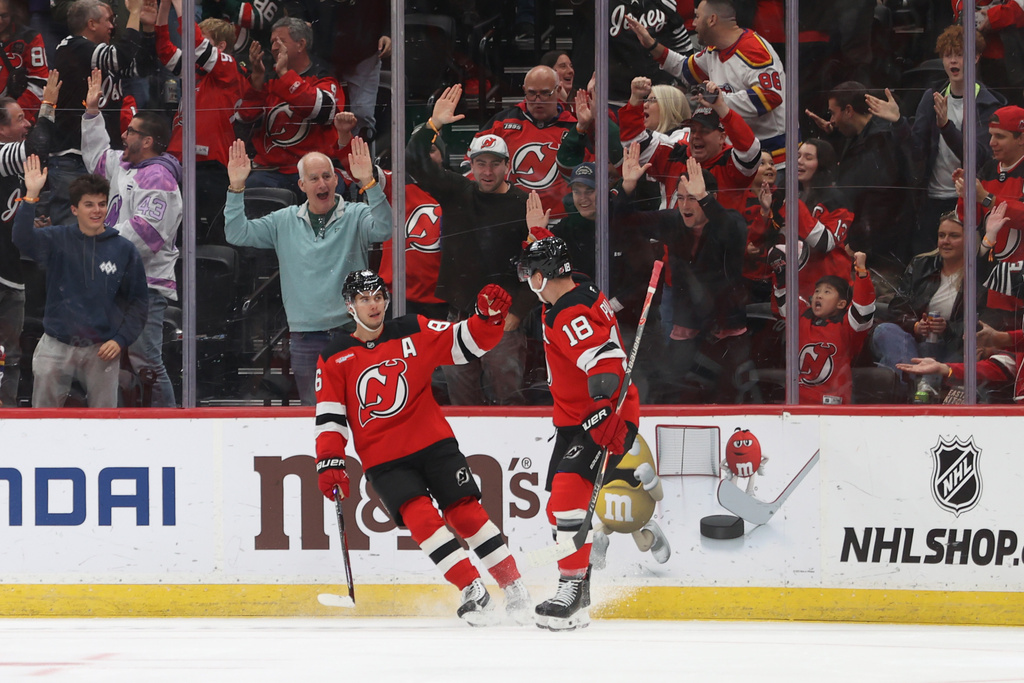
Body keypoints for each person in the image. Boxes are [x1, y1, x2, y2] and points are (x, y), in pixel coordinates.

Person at [313, 269, 531, 625]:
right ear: (349, 306)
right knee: (420, 517)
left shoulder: (413, 328)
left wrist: (487, 319)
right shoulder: (335, 356)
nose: (374, 305)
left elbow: (465, 343)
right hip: (384, 458)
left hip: (433, 442)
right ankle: (471, 588)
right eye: (364, 299)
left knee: (466, 512)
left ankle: (514, 587)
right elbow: (331, 419)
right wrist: (330, 462)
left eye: (379, 297)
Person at [514, 235, 639, 631]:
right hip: (577, 419)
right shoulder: (579, 290)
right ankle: (580, 581)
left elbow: (605, 359)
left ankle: (570, 588)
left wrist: (604, 409)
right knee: (559, 510)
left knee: (568, 498)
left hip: (600, 418)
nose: (527, 281)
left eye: (529, 273)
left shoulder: (568, 314)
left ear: (541, 275)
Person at [224, 137, 391, 405]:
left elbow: (384, 228)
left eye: (327, 176)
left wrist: (369, 183)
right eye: (313, 179)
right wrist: (236, 187)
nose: (322, 183)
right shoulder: (283, 221)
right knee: (314, 415)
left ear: (337, 180)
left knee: (360, 407)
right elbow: (236, 233)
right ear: (302, 185)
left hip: (351, 332)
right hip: (305, 337)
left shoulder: (356, 214)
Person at [407, 84, 540, 406]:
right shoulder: (457, 191)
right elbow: (414, 162)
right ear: (471, 164)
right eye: (481, 163)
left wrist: (519, 312)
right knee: (461, 400)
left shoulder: (526, 203)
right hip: (460, 315)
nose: (487, 171)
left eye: (495, 164)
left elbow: (536, 265)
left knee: (509, 399)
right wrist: (433, 125)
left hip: (505, 318)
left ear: (508, 166)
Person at [81, 67, 182, 407]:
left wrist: (98, 237)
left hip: (145, 287)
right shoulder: (125, 167)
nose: (124, 136)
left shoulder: (160, 179)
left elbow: (145, 233)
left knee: (145, 361)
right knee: (115, 362)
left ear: (148, 140)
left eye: (131, 131)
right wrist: (92, 113)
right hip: (116, 282)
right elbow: (95, 158)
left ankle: (168, 425)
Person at [13, 157, 148, 408]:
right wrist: (31, 195)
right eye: (89, 205)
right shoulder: (57, 239)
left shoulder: (124, 250)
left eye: (101, 204)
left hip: (102, 350)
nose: (97, 210)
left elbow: (139, 303)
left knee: (104, 425)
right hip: (55, 344)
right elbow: (22, 238)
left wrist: (119, 340)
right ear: (74, 209)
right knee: (42, 421)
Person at [618, 151, 750, 404]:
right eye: (680, 198)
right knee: (675, 392)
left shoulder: (730, 221)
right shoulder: (673, 221)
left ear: (712, 198)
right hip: (686, 327)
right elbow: (624, 223)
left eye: (693, 198)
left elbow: (729, 232)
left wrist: (705, 198)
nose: (685, 206)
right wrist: (627, 187)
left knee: (731, 394)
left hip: (727, 330)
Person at [864, 25, 1004, 255]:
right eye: (948, 55)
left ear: (976, 57)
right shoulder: (932, 98)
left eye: (960, 54)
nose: (953, 61)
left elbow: (979, 157)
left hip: (969, 200)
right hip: (933, 199)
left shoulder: (988, 105)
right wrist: (898, 121)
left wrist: (946, 127)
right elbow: (916, 152)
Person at [625, 0, 786, 165]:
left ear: (712, 19)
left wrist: (718, 101)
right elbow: (684, 69)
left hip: (774, 157)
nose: (693, 23)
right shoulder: (714, 50)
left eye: (697, 16)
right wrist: (651, 44)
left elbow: (771, 96)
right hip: (739, 155)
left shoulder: (754, 50)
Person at [50, 0, 156, 227]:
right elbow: (121, 56)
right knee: (71, 236)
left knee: (102, 234)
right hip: (73, 157)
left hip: (102, 158)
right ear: (91, 24)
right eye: (108, 20)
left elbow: (143, 67)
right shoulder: (72, 46)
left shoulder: (102, 55)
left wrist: (147, 29)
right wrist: (134, 13)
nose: (112, 26)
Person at [155, 0, 246, 238]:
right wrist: (163, 9)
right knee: (178, 234)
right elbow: (165, 49)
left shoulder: (229, 67)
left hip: (212, 164)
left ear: (221, 46)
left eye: (205, 39)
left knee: (213, 235)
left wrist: (181, 8)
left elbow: (195, 43)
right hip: (178, 161)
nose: (192, 43)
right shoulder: (193, 69)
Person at [871, 212, 990, 381]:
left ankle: (915, 390)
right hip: (913, 342)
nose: (945, 241)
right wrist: (916, 326)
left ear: (971, 240)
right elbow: (897, 308)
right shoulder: (921, 265)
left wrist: (946, 328)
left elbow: (984, 324)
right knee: (885, 330)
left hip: (952, 346)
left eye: (954, 236)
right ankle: (916, 387)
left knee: (959, 352)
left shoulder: (982, 275)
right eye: (942, 235)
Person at [807, 81, 913, 271]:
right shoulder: (862, 135)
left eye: (833, 113)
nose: (831, 120)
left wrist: (857, 243)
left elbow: (876, 201)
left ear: (848, 110)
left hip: (879, 251)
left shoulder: (879, 142)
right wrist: (833, 135)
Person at [0, 71, 60, 407]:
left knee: (11, 355)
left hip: (11, 274)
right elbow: (37, 147)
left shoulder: (12, 169)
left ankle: (6, 416)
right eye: (20, 119)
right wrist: (47, 106)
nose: (27, 124)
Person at [618, 76, 761, 212]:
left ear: (722, 137)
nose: (696, 136)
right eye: (693, 130)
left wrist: (721, 107)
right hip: (675, 236)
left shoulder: (731, 165)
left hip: (718, 238)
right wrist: (636, 100)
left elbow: (750, 150)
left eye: (704, 131)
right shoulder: (675, 155)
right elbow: (634, 142)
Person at [234, 16, 342, 196]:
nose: (274, 47)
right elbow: (244, 118)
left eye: (280, 41)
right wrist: (258, 79)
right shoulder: (268, 81)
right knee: (251, 189)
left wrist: (285, 75)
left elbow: (323, 112)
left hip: (314, 172)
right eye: (272, 42)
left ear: (301, 44)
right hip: (270, 172)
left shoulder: (323, 77)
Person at [473, 65, 577, 219]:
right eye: (532, 93)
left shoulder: (573, 128)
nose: (538, 100)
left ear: (559, 89)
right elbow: (471, 163)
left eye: (545, 93)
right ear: (524, 90)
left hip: (559, 220)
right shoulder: (502, 122)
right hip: (508, 217)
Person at [774, 250, 875, 405]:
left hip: (833, 408)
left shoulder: (847, 326)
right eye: (817, 291)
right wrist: (779, 271)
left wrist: (861, 272)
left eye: (827, 292)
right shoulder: (803, 317)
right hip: (797, 407)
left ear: (842, 304)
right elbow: (784, 300)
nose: (819, 295)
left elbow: (863, 311)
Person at [306, 0, 390, 142]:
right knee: (322, 111)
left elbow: (390, 6)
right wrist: (302, 20)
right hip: (324, 52)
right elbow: (296, 5)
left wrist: (388, 32)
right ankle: (324, 158)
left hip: (364, 50)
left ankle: (362, 157)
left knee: (363, 114)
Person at [958, 106, 1024, 262]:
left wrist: (986, 198)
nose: (992, 143)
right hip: (990, 269)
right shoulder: (988, 169)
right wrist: (965, 194)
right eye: (991, 136)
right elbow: (967, 221)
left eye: (1000, 136)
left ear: (1021, 138)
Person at [0, 0, 50, 123]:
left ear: (12, 13)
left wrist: (14, 117)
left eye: (3, 16)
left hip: (18, 120)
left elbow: (40, 82)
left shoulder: (30, 38)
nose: (0, 21)